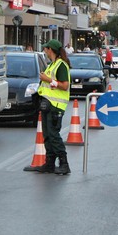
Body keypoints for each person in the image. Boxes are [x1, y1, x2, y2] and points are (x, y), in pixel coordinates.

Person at [37, 39, 71, 174]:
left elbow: (64, 85)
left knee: (53, 135)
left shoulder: (61, 65)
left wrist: (49, 80)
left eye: (46, 49)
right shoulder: (52, 64)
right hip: (48, 105)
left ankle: (64, 163)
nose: (45, 51)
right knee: (47, 134)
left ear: (51, 50)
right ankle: (49, 163)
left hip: (56, 106)